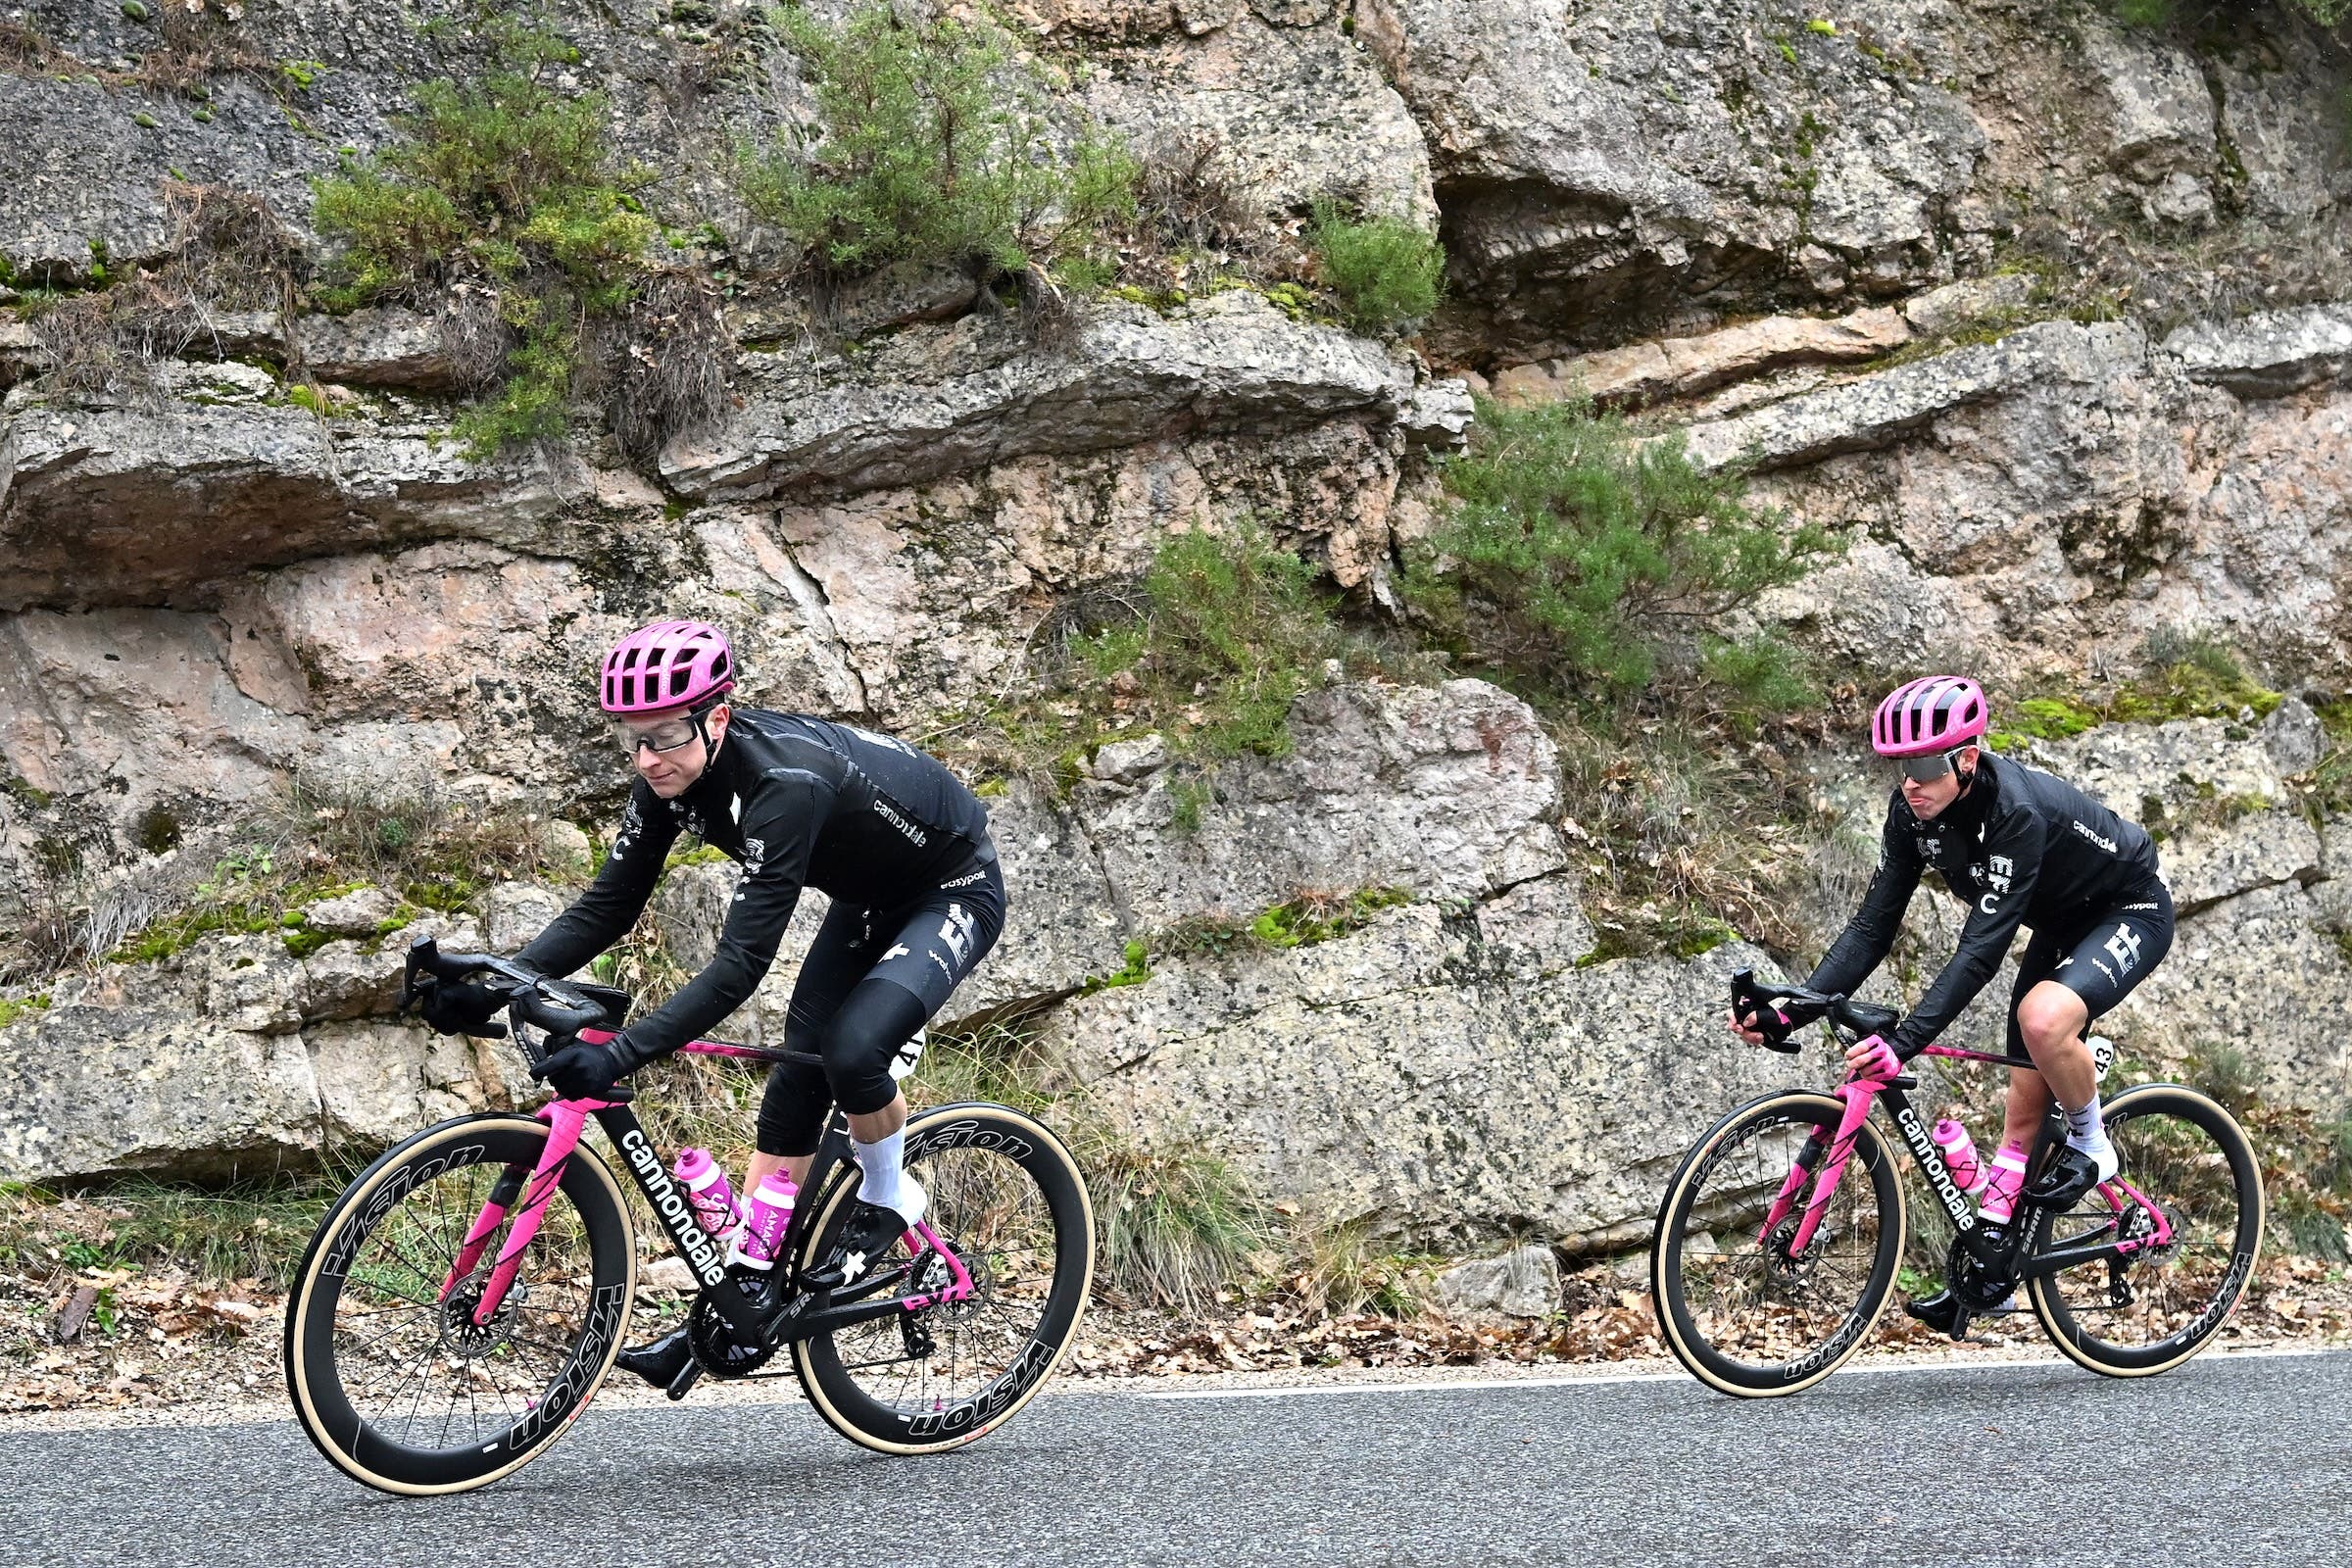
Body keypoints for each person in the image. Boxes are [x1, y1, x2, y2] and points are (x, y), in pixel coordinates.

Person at [427, 619, 1004, 1388]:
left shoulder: (785, 785)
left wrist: (624, 1050)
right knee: (797, 1084)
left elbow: (738, 968)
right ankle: (748, 1293)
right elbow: (608, 907)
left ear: (719, 717)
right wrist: (505, 978)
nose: (645, 758)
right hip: (867, 898)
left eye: (663, 737)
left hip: (950, 888)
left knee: (853, 1049)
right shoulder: (668, 775)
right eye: (630, 739)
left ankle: (891, 1194)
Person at [1730, 675, 2173, 1327]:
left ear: (1967, 759)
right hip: (2058, 925)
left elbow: (1979, 953)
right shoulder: (1912, 813)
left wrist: (1903, 1041)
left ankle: (2091, 1140)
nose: (1910, 781)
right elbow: (1872, 926)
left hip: (2127, 908)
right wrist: (1795, 1007)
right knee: (2020, 1114)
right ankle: (1988, 1274)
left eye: (1925, 766)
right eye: (1900, 766)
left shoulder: (2014, 812)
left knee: (2042, 1020)